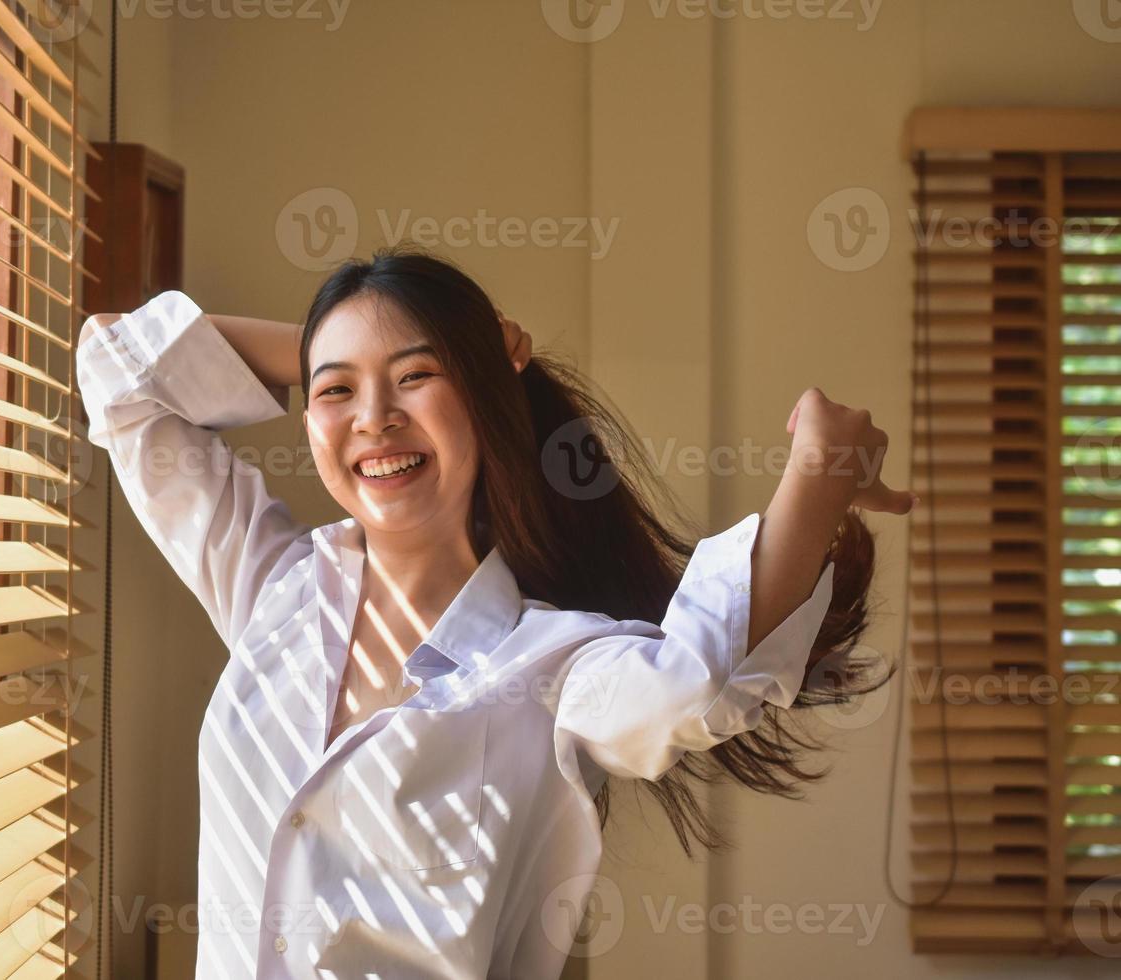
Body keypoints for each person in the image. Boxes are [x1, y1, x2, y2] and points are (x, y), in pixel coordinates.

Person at [76, 246, 909, 978]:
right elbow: (118, 366)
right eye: (338, 393)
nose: (374, 418)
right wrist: (339, 344)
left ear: (482, 402)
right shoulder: (275, 590)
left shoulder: (549, 666)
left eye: (417, 376)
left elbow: (692, 686)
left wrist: (820, 466)